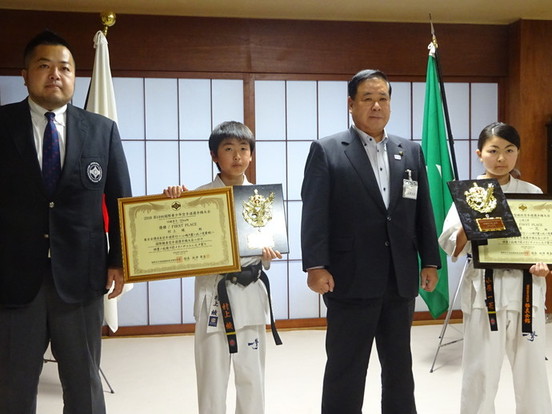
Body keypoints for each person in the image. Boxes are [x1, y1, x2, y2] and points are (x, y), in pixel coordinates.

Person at [0, 30, 131, 414]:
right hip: (14, 276)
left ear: (75, 77)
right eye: (44, 66)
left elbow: (118, 199)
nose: (55, 74)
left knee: (83, 383)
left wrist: (120, 260)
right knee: (13, 384)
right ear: (25, 74)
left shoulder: (101, 130)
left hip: (82, 277)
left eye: (65, 68)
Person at [300, 69, 441, 414]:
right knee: (346, 369)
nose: (376, 105)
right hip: (349, 278)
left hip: (399, 279)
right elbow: (314, 212)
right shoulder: (327, 150)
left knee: (399, 369)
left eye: (383, 98)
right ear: (351, 104)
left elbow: (422, 210)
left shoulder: (409, 151)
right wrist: (316, 265)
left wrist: (431, 260)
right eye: (367, 98)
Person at [164, 121, 282, 414]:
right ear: (215, 156)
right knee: (212, 380)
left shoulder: (263, 199)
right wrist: (174, 202)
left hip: (251, 295)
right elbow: (178, 242)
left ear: (252, 155)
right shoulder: (196, 197)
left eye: (244, 149)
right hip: (213, 297)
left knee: (252, 376)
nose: (237, 156)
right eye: (228, 149)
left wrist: (269, 254)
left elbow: (267, 253)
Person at [439, 122, 552, 414]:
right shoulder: (468, 193)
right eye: (493, 150)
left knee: (532, 373)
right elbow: (452, 244)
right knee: (481, 372)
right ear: (480, 153)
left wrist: (543, 266)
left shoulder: (531, 192)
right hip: (484, 293)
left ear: (517, 154)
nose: (501, 158)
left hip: (527, 291)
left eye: (509, 150)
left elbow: (542, 242)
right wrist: (470, 219)